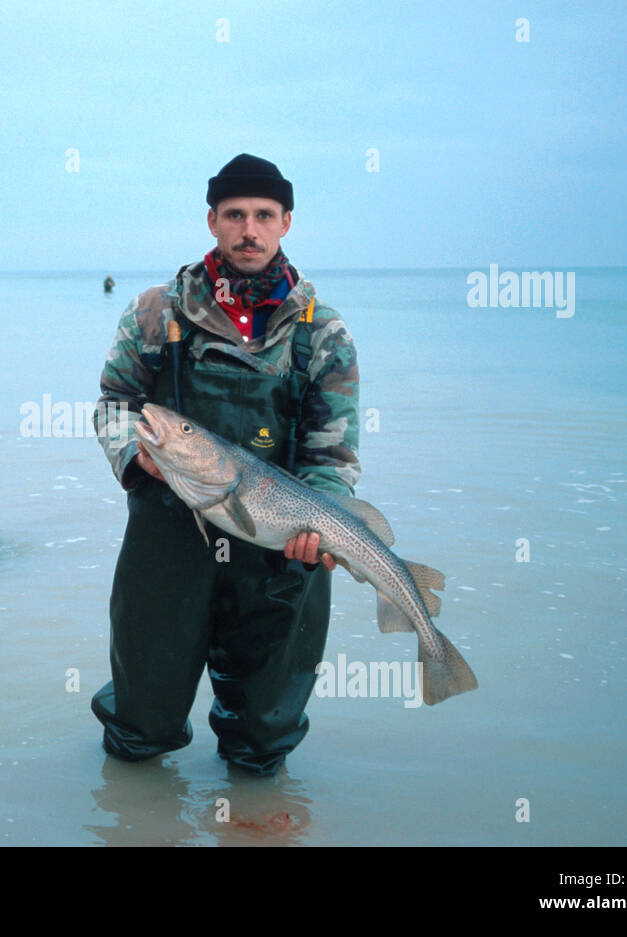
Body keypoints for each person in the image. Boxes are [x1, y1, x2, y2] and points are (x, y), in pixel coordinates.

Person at [90, 153, 361, 776]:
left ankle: (256, 818)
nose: (249, 229)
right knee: (142, 717)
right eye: (234, 214)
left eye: (264, 215)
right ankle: (134, 818)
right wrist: (137, 455)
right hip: (169, 531)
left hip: (281, 544)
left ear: (286, 222)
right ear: (212, 220)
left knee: (264, 733)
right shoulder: (156, 312)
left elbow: (332, 451)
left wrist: (317, 527)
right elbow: (115, 405)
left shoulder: (323, 333)